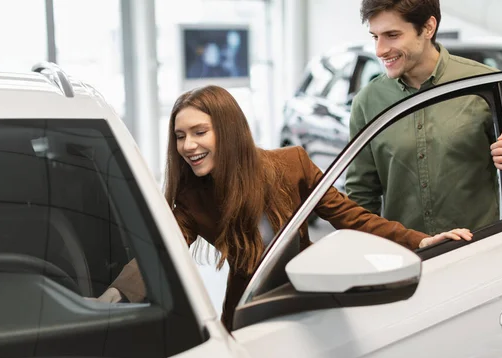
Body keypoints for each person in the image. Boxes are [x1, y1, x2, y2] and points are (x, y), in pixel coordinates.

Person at [101, 85, 472, 331]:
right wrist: (111, 299)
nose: (187, 145)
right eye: (180, 136)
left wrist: (420, 242)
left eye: (200, 132)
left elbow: (351, 218)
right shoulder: (190, 200)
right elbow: (159, 250)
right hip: (246, 311)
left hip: (307, 297)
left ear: (227, 131)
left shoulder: (292, 164)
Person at [346, 0, 502, 235]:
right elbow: (361, 196)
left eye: (392, 35)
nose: (379, 50)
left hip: (481, 251)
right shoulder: (367, 102)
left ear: (428, 28)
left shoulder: (486, 85)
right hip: (408, 259)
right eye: (375, 37)